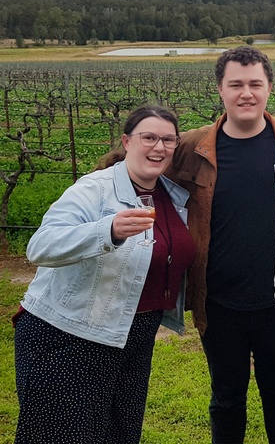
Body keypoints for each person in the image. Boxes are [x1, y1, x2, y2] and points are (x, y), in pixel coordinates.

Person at [14, 105, 195, 444]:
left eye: (168, 140)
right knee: (62, 436)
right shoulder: (95, 189)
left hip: (133, 339)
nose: (159, 147)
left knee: (119, 434)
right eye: (149, 137)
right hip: (69, 335)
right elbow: (40, 246)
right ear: (127, 141)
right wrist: (106, 230)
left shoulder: (172, 194)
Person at [168, 46, 275, 444]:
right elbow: (137, 165)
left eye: (255, 84)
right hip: (218, 304)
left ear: (270, 88)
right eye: (236, 84)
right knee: (226, 399)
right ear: (220, 89)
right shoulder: (192, 147)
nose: (246, 93)